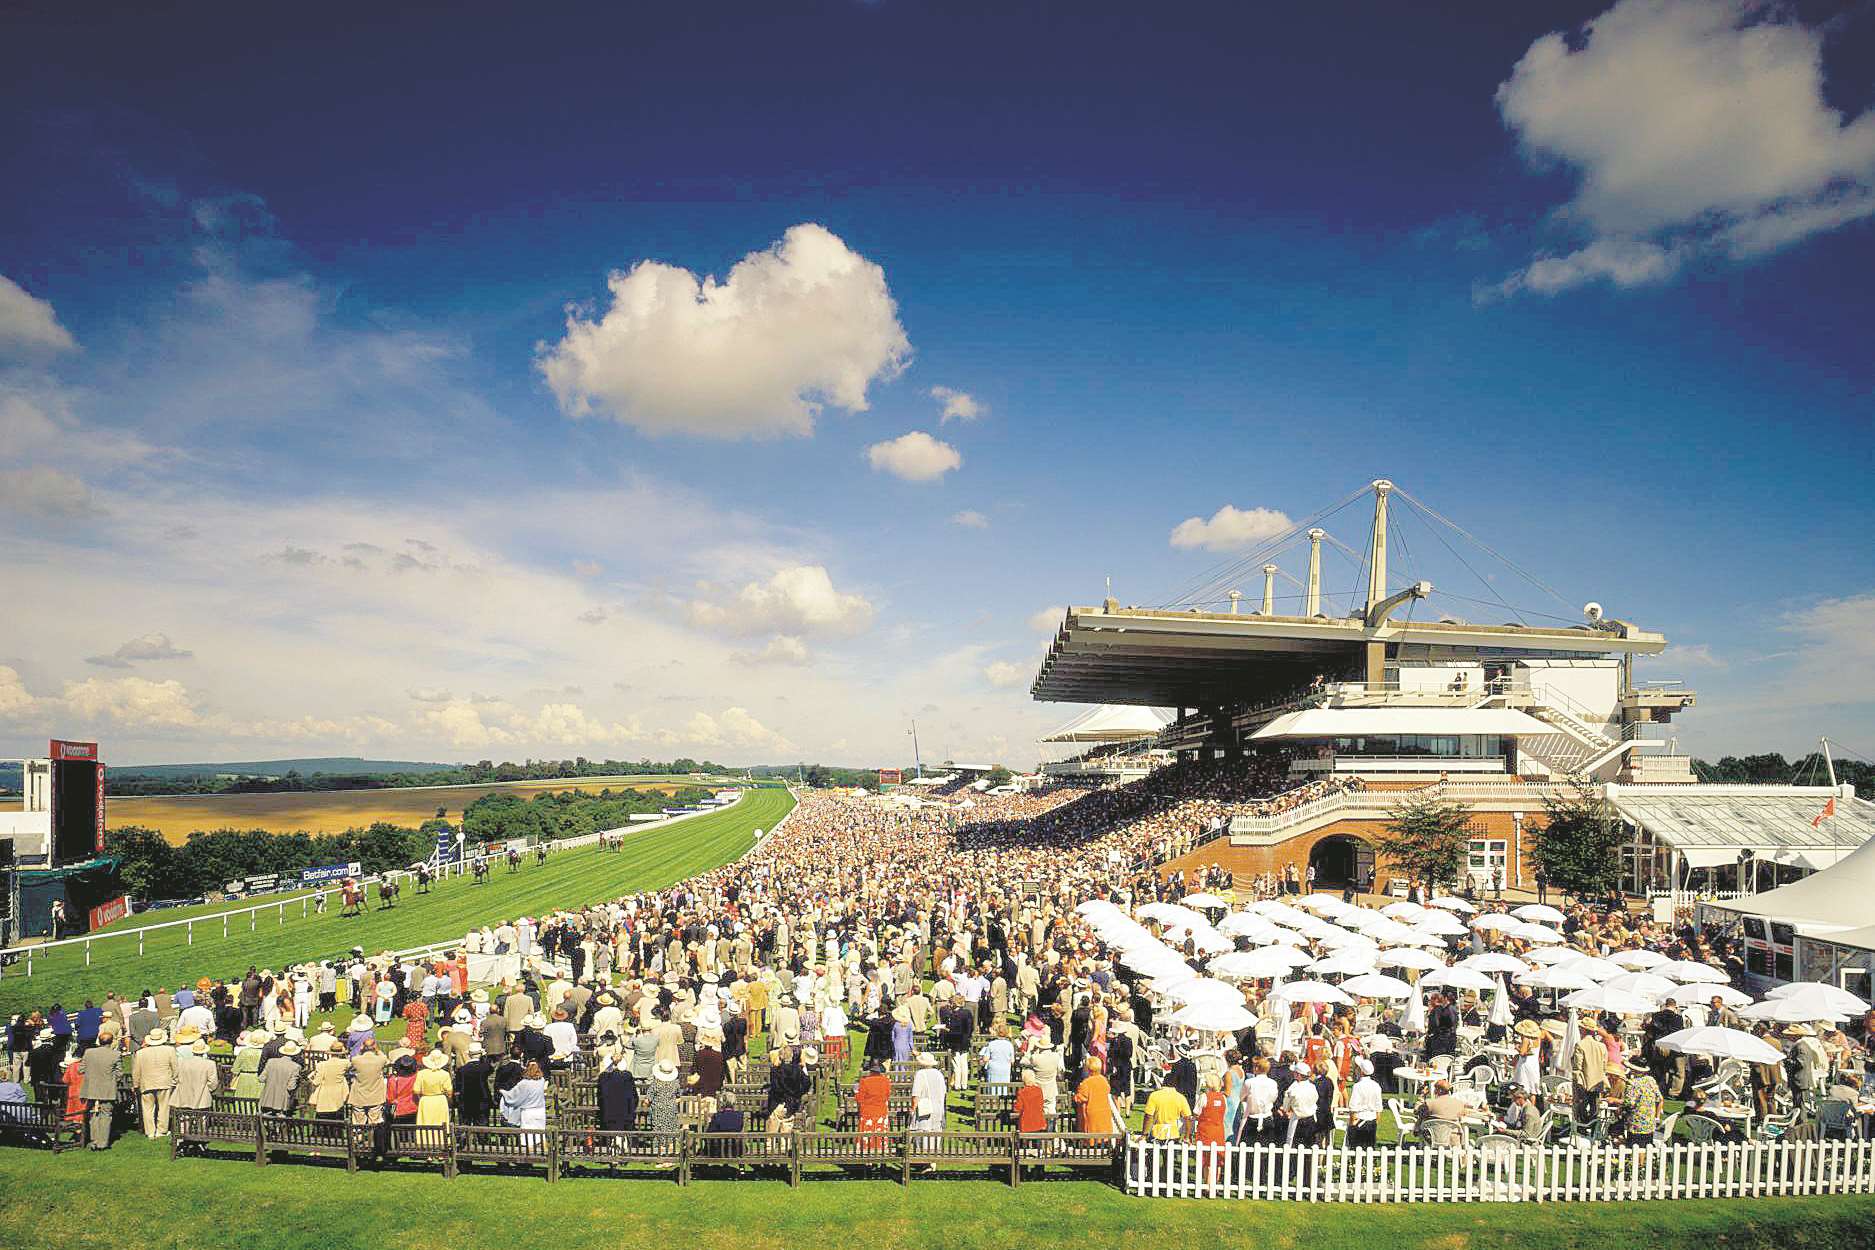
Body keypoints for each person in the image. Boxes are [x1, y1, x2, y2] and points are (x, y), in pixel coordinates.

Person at [131, 1027, 178, 1140]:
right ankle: (161, 1130)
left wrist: (135, 1084)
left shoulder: (140, 1053)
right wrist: (174, 1080)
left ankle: (150, 1131)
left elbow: (136, 1071)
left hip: (147, 1083)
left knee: (147, 1108)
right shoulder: (169, 1050)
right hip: (164, 1082)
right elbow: (175, 1068)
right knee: (163, 1107)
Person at [79, 1027, 120, 1149]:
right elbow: (119, 1073)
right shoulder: (116, 1054)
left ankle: (94, 1141)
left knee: (93, 1115)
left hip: (91, 1088)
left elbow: (81, 1069)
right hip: (107, 1089)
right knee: (106, 1115)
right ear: (112, 1042)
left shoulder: (89, 1052)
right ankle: (102, 1143)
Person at [1614, 1056, 1664, 1144]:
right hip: (1649, 1122)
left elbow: (1629, 1103)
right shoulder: (1650, 1080)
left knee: (1636, 1148)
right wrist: (1657, 1117)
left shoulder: (1632, 1083)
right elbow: (1660, 1099)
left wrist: (1614, 1100)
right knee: (1645, 1147)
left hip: (1636, 1123)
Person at [910, 1052, 947, 1164]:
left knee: (924, 1133)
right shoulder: (939, 1074)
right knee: (935, 1132)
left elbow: (916, 1094)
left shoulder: (920, 1074)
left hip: (925, 1108)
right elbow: (944, 1092)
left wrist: (913, 1108)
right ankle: (932, 1160)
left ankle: (926, 1160)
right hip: (938, 1107)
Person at [1074, 1054, 1114, 1140]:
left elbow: (1081, 1098)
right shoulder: (1104, 1080)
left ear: (1088, 1069)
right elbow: (1107, 1090)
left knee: (1091, 1136)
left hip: (1091, 1113)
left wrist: (1075, 1096)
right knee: (1103, 1135)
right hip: (1104, 1112)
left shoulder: (1086, 1083)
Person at [855, 1060, 892, 1151]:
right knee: (880, 1136)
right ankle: (881, 1153)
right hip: (881, 1112)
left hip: (867, 1113)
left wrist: (856, 1093)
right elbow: (887, 1096)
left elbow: (860, 1099)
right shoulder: (886, 1081)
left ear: (870, 1070)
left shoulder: (864, 1081)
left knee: (867, 1137)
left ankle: (866, 1155)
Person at [1346, 1056, 1382, 1147]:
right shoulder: (1376, 1085)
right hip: (1371, 1119)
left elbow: (1353, 1106)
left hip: (1359, 1119)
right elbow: (1378, 1107)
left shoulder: (1358, 1086)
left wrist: (1352, 1122)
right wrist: (1376, 1120)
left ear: (1361, 1071)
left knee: (1356, 1148)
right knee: (1369, 1147)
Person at [260, 1041, 302, 1116]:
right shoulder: (295, 1067)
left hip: (266, 1101)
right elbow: (291, 1087)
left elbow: (261, 1078)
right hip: (282, 1103)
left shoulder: (271, 1062)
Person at [415, 1049, 453, 1126]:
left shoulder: (421, 1074)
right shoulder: (444, 1074)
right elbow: (449, 1092)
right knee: (441, 1124)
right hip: (440, 1101)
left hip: (426, 1101)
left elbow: (416, 1091)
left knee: (426, 1124)